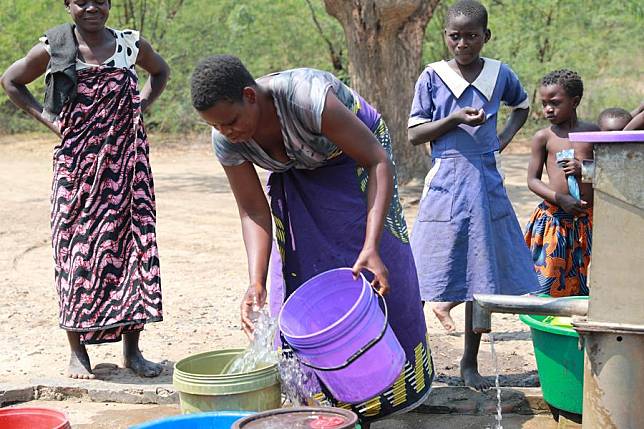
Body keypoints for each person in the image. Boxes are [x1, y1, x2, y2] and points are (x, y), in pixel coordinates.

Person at [190, 55, 433, 425]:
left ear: (250, 96)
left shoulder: (307, 100)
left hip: (358, 157)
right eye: (216, 126)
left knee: (377, 262)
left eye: (232, 120)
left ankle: (393, 388)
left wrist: (371, 246)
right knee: (300, 269)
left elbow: (376, 160)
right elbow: (254, 211)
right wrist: (254, 280)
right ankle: (322, 392)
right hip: (295, 171)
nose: (228, 131)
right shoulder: (226, 140)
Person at [0, 0, 169, 379]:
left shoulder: (130, 45)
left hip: (128, 167)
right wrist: (51, 121)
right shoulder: (54, 47)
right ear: (67, 6)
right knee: (76, 254)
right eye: (81, 1)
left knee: (133, 251)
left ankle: (134, 351)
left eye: (101, 0)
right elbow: (10, 81)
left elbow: (160, 72)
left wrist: (138, 107)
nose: (92, 7)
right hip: (77, 170)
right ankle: (77, 352)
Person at [407, 0, 539, 390]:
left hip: (484, 181)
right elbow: (415, 133)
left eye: (471, 36)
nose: (462, 43)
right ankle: (409, 361)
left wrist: (502, 138)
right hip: (446, 180)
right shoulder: (432, 76)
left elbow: (522, 105)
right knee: (422, 267)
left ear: (486, 36)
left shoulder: (499, 74)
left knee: (480, 276)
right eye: (454, 36)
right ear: (445, 36)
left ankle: (469, 363)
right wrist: (452, 119)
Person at [524, 69, 599, 297]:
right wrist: (560, 199)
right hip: (554, 219)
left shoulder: (593, 134)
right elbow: (532, 180)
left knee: (584, 281)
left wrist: (583, 169)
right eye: (544, 103)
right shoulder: (544, 137)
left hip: (587, 221)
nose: (548, 109)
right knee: (547, 281)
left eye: (555, 103)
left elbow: (610, 172)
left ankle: (576, 330)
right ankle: (544, 326)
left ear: (574, 101)